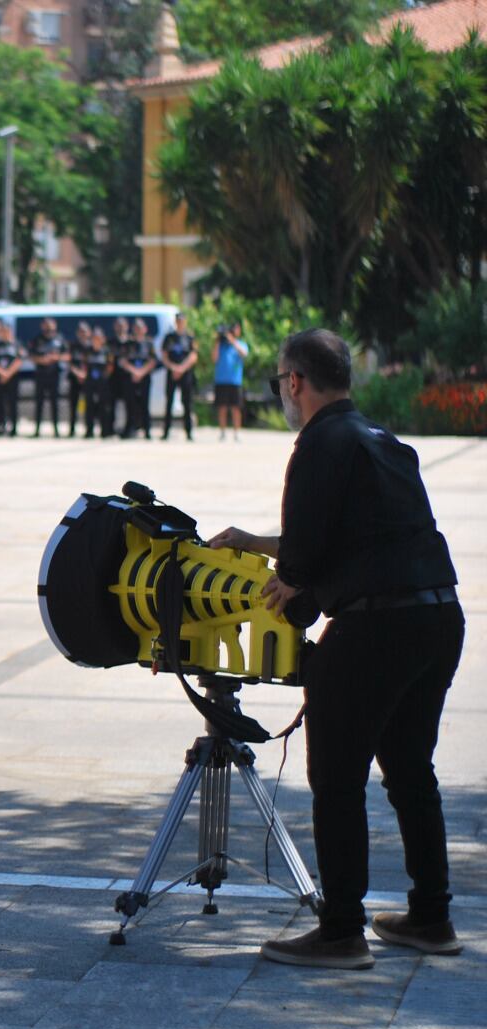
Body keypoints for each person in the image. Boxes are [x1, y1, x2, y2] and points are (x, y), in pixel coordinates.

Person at [210, 329, 463, 970]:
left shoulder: (316, 444)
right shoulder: (383, 443)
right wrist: (257, 543)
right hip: (437, 619)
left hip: (378, 629)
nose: (282, 395)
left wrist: (285, 590)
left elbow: (303, 568)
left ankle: (342, 930)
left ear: (295, 381)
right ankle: (432, 918)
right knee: (410, 770)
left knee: (337, 780)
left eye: (279, 384)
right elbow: (356, 540)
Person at [160, 312, 197, 441]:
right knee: (169, 402)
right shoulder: (169, 338)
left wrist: (182, 368)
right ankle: (166, 432)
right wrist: (174, 368)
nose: (180, 323)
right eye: (178, 321)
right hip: (172, 373)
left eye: (182, 321)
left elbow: (193, 356)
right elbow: (164, 356)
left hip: (185, 374)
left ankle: (189, 432)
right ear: (176, 322)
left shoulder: (189, 337)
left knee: (187, 403)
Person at [28, 316, 66, 438]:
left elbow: (69, 355)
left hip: (54, 375)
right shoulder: (37, 339)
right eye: (46, 325)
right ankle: (37, 430)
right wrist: (42, 360)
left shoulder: (60, 339)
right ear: (42, 326)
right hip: (40, 375)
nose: (49, 328)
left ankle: (56, 430)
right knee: (39, 403)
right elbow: (31, 356)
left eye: (51, 326)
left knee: (55, 404)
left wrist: (56, 358)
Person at [119, 318, 156, 439]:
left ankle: (147, 430)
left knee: (145, 405)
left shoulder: (149, 344)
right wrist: (134, 372)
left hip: (144, 377)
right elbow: (123, 360)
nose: (138, 330)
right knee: (130, 404)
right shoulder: (128, 344)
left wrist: (141, 372)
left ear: (145, 329)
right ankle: (129, 429)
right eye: (136, 328)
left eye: (141, 328)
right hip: (130, 378)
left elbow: (153, 360)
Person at [213, 322, 249, 440]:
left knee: (236, 407)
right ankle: (222, 432)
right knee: (222, 407)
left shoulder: (240, 344)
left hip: (235, 381)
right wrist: (218, 341)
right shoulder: (221, 345)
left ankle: (237, 432)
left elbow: (244, 353)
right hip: (221, 380)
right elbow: (214, 358)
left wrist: (233, 341)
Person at [65, 322, 93, 438]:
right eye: (81, 331)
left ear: (89, 333)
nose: (83, 334)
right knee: (73, 405)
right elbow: (69, 362)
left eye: (85, 331)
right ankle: (72, 430)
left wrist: (85, 375)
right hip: (74, 379)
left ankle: (89, 430)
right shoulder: (72, 346)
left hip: (89, 380)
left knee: (89, 406)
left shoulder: (92, 347)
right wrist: (78, 373)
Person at [107, 316, 132, 436]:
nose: (121, 328)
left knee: (129, 405)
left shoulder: (130, 342)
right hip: (113, 377)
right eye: (118, 326)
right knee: (111, 404)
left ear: (127, 327)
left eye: (123, 326)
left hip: (128, 378)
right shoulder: (111, 342)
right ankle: (111, 429)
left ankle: (128, 430)